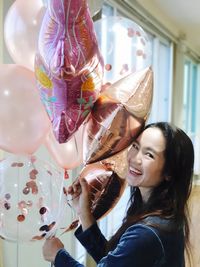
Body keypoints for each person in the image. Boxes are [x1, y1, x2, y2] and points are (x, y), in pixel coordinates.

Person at [43, 122, 194, 267]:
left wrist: (58, 256)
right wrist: (84, 213)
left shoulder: (148, 233)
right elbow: (117, 260)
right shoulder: (162, 216)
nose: (135, 158)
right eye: (135, 146)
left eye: (149, 155)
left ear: (169, 172)